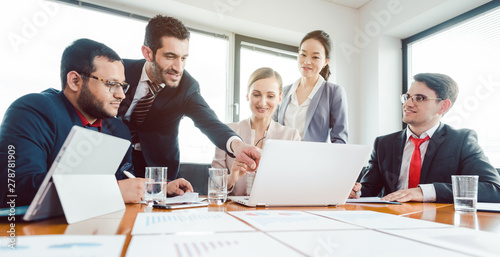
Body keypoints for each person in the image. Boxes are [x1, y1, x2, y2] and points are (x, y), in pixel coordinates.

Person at [0, 38, 192, 208]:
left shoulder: (119, 130)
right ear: (75, 81)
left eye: (123, 85)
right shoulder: (32, 111)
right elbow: (14, 189)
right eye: (111, 84)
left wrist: (157, 190)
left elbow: (125, 182)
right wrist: (112, 191)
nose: (121, 95)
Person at [118, 15, 260, 179]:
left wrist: (238, 146)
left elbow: (210, 123)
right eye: (170, 56)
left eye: (183, 58)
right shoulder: (120, 70)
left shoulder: (186, 87)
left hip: (160, 173)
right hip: (117, 165)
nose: (178, 68)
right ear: (148, 53)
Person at [351, 73, 500, 203]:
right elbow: (370, 188)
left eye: (420, 98)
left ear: (443, 106)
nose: (407, 104)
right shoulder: (383, 143)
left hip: (439, 224)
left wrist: (424, 192)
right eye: (407, 97)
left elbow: (492, 189)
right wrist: (356, 191)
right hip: (391, 219)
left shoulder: (462, 140)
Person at [212, 68, 301, 195]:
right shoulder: (227, 133)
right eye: (256, 94)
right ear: (248, 95)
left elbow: (295, 185)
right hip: (233, 211)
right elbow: (214, 187)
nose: (262, 102)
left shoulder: (291, 137)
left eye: (270, 96)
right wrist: (232, 178)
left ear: (280, 98)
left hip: (273, 211)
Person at [273, 30, 348, 143]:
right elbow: (271, 130)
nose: (307, 62)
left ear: (325, 62)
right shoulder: (284, 92)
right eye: (303, 55)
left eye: (315, 57)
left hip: (314, 159)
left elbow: (340, 140)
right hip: (282, 157)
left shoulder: (334, 92)